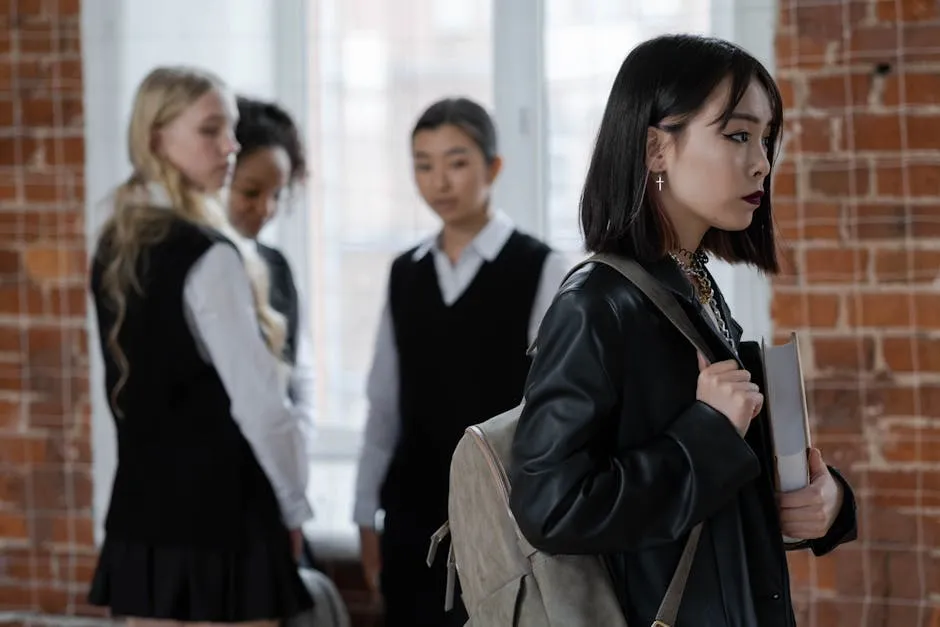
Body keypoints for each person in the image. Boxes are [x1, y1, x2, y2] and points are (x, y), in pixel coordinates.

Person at [508, 35, 858, 627]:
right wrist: (707, 431)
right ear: (655, 150)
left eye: (767, 138)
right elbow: (550, 507)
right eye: (738, 135)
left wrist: (828, 503)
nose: (762, 162)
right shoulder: (598, 303)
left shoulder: (691, 285)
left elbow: (710, 493)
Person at [87, 66, 313, 627]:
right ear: (157, 137)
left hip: (141, 527)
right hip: (226, 530)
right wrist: (294, 508)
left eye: (232, 130)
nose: (230, 146)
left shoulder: (114, 243)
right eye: (211, 130)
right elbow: (262, 407)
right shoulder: (209, 255)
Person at [352, 97, 571, 627]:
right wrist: (364, 515)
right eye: (423, 165)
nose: (439, 181)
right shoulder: (405, 273)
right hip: (412, 514)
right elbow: (383, 404)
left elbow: (552, 408)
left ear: (493, 167)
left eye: (456, 162)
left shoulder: (541, 267)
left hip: (503, 511)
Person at [227, 95, 316, 464]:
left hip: (274, 474)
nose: (265, 209)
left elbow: (299, 380)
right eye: (250, 192)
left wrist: (296, 450)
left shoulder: (276, 267)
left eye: (277, 195)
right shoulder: (190, 266)